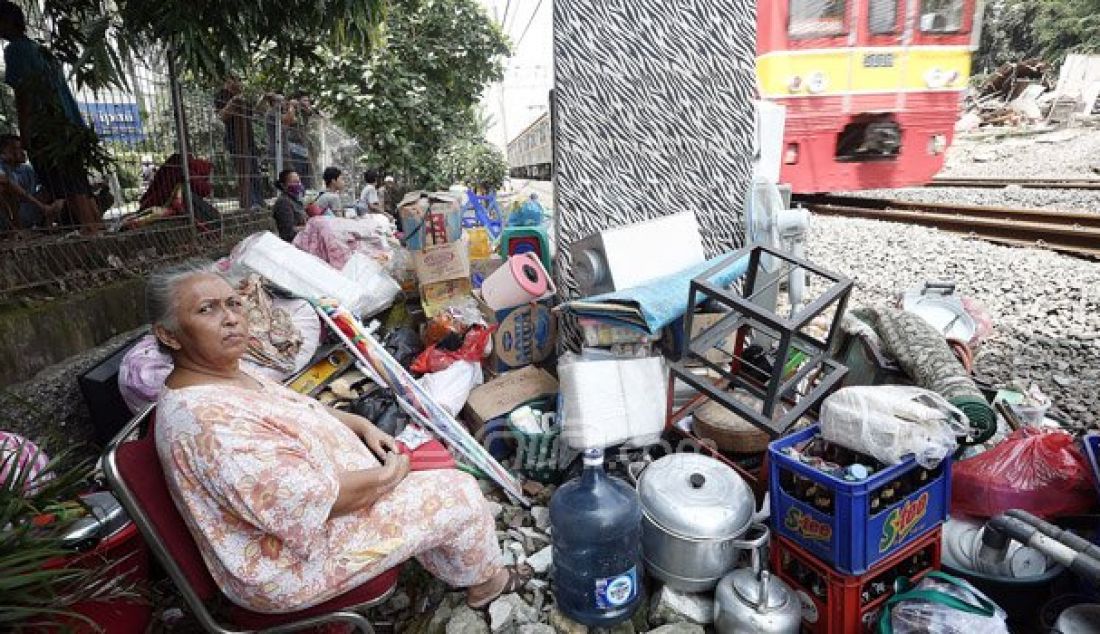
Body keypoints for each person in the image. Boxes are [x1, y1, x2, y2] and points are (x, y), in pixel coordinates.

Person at [146, 262, 530, 613]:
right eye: (207, 310)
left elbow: (295, 408)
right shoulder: (211, 425)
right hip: (286, 567)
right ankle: (487, 586)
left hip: (309, 519)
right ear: (169, 335)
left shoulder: (223, 372)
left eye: (233, 303)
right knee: (459, 491)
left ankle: (446, 558)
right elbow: (307, 505)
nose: (231, 318)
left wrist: (360, 425)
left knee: (424, 470)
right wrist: (388, 478)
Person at [0, 1, 101, 233]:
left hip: (47, 130)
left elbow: (23, 93)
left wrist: (25, 134)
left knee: (67, 187)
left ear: (6, 22)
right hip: (69, 125)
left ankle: (92, 236)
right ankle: (98, 232)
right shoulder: (40, 49)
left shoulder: (15, 50)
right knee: (79, 185)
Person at [214, 75, 265, 213]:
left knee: (254, 170)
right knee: (244, 170)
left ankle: (259, 201)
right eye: (237, 80)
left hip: (249, 139)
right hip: (235, 139)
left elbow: (254, 114)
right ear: (228, 81)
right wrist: (233, 102)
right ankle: (250, 203)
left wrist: (264, 98)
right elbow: (221, 117)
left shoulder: (241, 98)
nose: (240, 83)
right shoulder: (222, 95)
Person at [0, 133, 61, 230]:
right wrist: (40, 206)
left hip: (29, 209)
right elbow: (6, 182)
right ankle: (15, 230)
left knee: (57, 190)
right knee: (5, 188)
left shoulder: (27, 169)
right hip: (9, 216)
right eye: (16, 149)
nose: (22, 152)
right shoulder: (2, 166)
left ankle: (47, 225)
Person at [272, 169, 306, 242]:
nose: (299, 185)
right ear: (283, 185)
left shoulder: (296, 201)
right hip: (291, 245)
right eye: (294, 182)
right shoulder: (283, 203)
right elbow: (287, 232)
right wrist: (310, 228)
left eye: (299, 182)